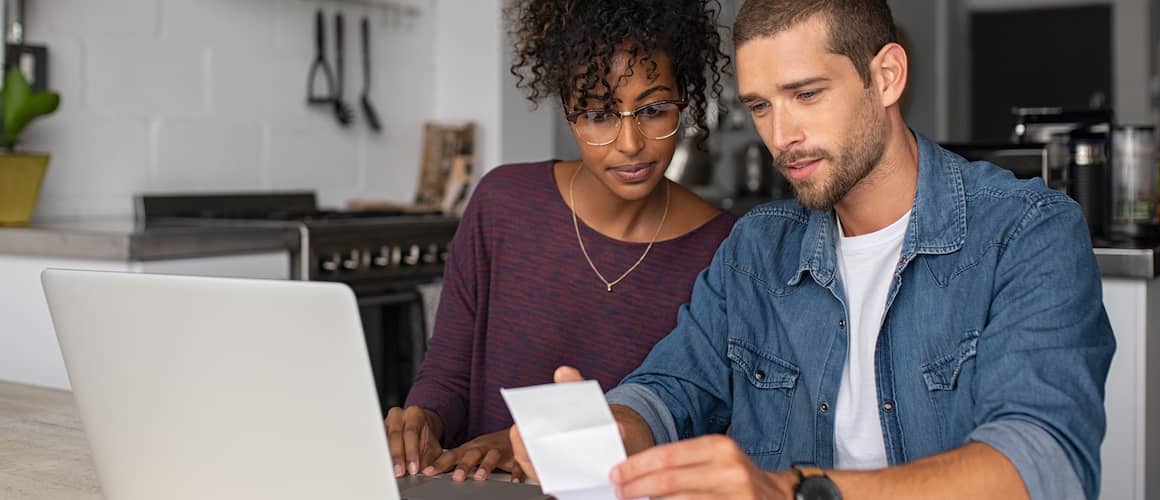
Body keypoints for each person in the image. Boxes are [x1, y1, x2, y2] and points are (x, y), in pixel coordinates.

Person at [511, 1, 1116, 499]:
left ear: (886, 77)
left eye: (806, 95)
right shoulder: (756, 247)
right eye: (760, 106)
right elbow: (672, 389)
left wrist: (794, 490)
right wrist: (611, 429)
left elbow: (1043, 463)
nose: (781, 136)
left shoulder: (1029, 233)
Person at [386, 0, 736, 484]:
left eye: (654, 110)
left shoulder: (726, 250)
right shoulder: (502, 204)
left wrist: (530, 447)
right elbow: (448, 374)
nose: (629, 142)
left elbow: (695, 421)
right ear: (569, 113)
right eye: (598, 114)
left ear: (686, 99)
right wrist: (423, 419)